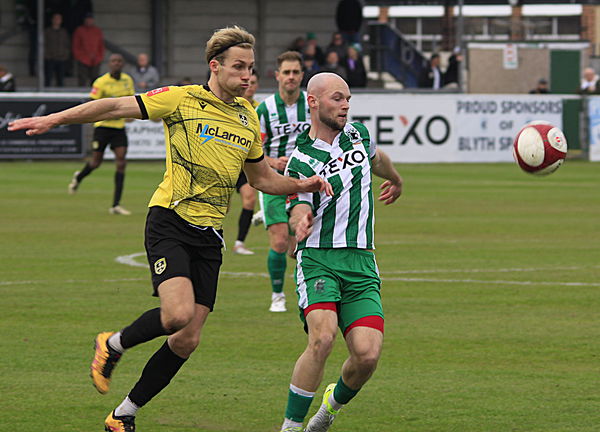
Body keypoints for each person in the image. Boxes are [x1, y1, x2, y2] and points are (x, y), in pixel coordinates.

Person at [8, 25, 331, 432]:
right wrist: (54, 119)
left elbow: (262, 178)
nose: (247, 75)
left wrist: (301, 185)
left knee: (187, 339)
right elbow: (113, 107)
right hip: (170, 220)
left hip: (210, 235)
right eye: (238, 67)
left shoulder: (248, 117)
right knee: (177, 314)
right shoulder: (182, 99)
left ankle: (123, 414)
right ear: (215, 66)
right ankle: (112, 343)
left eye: (251, 67)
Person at [278, 72, 403, 432]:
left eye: (348, 98)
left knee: (367, 355)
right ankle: (290, 427)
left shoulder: (358, 134)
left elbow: (377, 159)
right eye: (337, 98)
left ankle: (328, 410)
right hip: (319, 259)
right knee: (323, 338)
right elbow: (298, 205)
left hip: (362, 261)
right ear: (313, 102)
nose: (346, 105)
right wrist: (300, 220)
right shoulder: (301, 159)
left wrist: (395, 179)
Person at [256, 50, 311, 312]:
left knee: (296, 248)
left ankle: (306, 291)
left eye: (295, 72)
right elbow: (252, 149)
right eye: (286, 72)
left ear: (302, 75)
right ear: (277, 75)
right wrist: (272, 162)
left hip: (306, 183)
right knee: (279, 242)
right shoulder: (264, 110)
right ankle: (277, 295)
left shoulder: (313, 105)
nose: (291, 77)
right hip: (274, 182)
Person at [67, 53, 135, 215]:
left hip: (118, 128)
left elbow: (131, 100)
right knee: (96, 162)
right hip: (103, 127)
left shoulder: (128, 80)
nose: (116, 63)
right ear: (109, 64)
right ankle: (79, 177)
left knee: (121, 162)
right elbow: (92, 103)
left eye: (119, 61)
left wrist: (131, 114)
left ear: (123, 64)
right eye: (114, 61)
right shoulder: (101, 82)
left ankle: (116, 205)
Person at [233, 70, 260, 255]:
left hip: (248, 164)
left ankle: (239, 243)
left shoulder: (261, 109)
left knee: (249, 199)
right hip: (228, 162)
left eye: (254, 82)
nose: (250, 85)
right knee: (221, 206)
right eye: (248, 81)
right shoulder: (232, 105)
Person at [72, 12, 104, 86]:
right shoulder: (79, 30)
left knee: (95, 81)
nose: (89, 21)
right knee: (82, 80)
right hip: (83, 59)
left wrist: (99, 57)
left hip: (95, 59)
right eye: (87, 19)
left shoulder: (97, 30)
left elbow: (101, 45)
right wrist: (80, 57)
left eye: (90, 19)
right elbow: (76, 45)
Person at [44, 13, 70, 87]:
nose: (57, 20)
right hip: (50, 58)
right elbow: (43, 44)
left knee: (60, 79)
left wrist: (65, 55)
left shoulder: (64, 32)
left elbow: (67, 44)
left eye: (59, 19)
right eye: (55, 19)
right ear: (52, 20)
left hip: (61, 58)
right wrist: (47, 55)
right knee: (48, 78)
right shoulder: (47, 31)